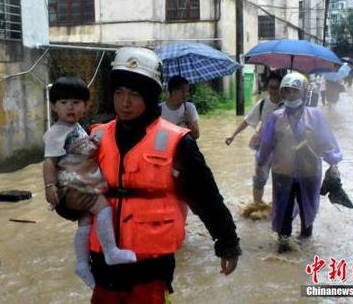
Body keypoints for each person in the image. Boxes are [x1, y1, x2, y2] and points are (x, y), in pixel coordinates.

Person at [88, 47, 241, 303]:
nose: (124, 103)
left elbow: (205, 196)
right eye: (119, 93)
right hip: (104, 264)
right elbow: (76, 196)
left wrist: (227, 241)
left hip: (150, 267)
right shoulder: (96, 137)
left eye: (135, 95)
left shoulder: (177, 142)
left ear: (149, 96)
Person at [43, 77, 136, 289]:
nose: (70, 107)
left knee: (85, 222)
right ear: (54, 106)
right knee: (104, 209)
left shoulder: (73, 127)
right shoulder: (55, 133)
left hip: (78, 181)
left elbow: (81, 150)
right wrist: (49, 187)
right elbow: (49, 162)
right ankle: (111, 251)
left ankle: (82, 263)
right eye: (64, 102)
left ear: (86, 106)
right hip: (74, 183)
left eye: (76, 102)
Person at [256, 72, 342, 253]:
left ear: (303, 93)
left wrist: (333, 162)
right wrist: (261, 162)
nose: (290, 94)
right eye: (286, 91)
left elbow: (326, 142)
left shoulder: (315, 116)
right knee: (282, 211)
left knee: (307, 211)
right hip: (282, 173)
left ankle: (306, 247)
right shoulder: (276, 117)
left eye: (294, 91)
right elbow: (267, 144)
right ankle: (283, 245)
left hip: (309, 172)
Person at [225, 73, 283, 207]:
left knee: (280, 179)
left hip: (282, 148)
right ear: (267, 88)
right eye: (270, 87)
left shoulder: (288, 105)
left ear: (282, 88)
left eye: (276, 87)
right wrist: (233, 135)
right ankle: (257, 206)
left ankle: (276, 208)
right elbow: (247, 120)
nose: (273, 90)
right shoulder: (262, 103)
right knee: (259, 179)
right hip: (263, 147)